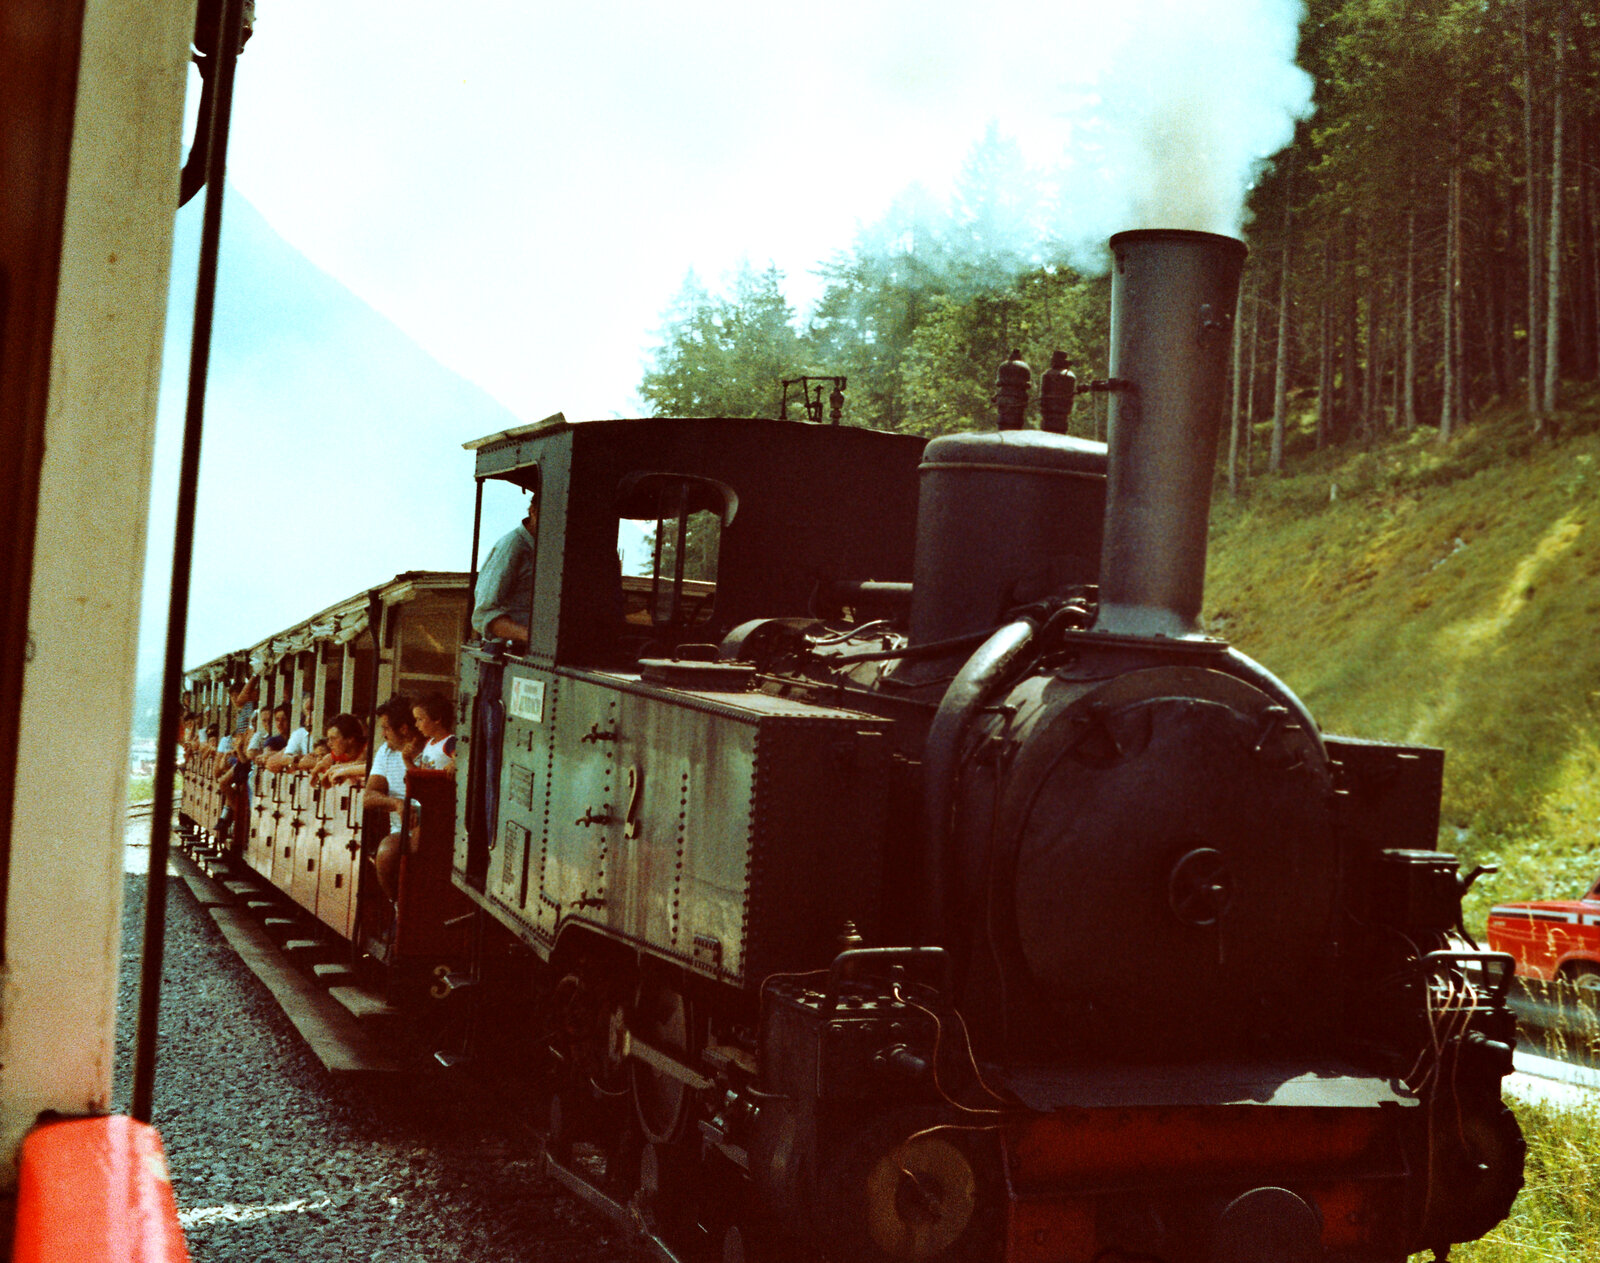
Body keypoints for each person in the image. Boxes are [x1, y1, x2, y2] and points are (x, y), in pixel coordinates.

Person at [366, 696, 425, 900]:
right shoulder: (386, 752)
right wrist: (396, 803)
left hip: (429, 826)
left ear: (404, 729)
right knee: (386, 853)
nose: (383, 735)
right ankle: (397, 905)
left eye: (386, 728)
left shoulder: (431, 748)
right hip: (402, 831)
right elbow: (369, 796)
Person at [472, 491, 538, 643]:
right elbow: (483, 615)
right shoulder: (512, 546)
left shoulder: (548, 549)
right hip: (505, 650)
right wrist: (530, 636)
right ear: (532, 511)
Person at [310, 714, 367, 788]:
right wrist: (315, 772)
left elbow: (363, 765)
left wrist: (339, 769)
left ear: (350, 738)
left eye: (333, 739)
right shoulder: (338, 753)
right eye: (329, 739)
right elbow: (321, 764)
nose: (329, 744)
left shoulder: (367, 750)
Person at [413, 692, 456, 777]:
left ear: (437, 718)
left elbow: (461, 760)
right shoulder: (428, 743)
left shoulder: (450, 741)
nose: (416, 725)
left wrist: (454, 763)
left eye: (420, 719)